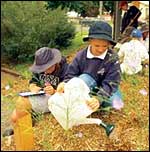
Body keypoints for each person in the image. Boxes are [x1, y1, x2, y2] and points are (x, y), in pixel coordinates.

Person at [57, 21, 123, 112]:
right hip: (86, 85)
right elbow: (71, 74)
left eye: (105, 46)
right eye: (97, 45)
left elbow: (112, 81)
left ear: (109, 43)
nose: (100, 49)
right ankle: (84, 101)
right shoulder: (80, 56)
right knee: (85, 77)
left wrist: (99, 98)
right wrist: (65, 83)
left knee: (116, 103)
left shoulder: (113, 58)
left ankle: (93, 102)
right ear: (90, 41)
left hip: (105, 88)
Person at [3, 47, 68, 136]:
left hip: (57, 99)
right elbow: (33, 82)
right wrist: (33, 87)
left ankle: (25, 130)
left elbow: (69, 92)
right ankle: (21, 126)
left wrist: (54, 91)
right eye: (42, 69)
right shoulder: (40, 69)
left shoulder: (65, 69)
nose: (45, 72)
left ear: (54, 63)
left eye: (47, 68)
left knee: (21, 108)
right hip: (42, 96)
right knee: (15, 115)